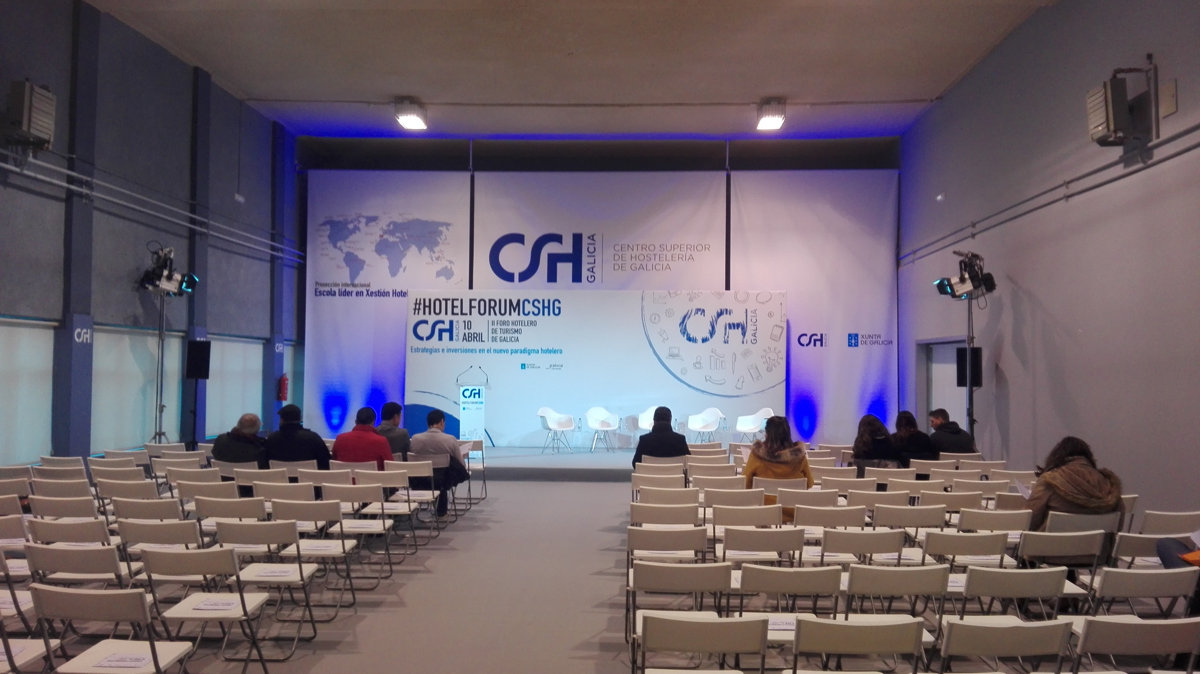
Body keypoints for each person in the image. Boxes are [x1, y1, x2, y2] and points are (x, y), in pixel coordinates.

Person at [1025, 436, 1122, 531]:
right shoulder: (1110, 485)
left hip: (1053, 541)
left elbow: (1028, 522)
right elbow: (1118, 526)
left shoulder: (1050, 481)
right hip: (1098, 542)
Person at [409, 409, 470, 517]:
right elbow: (462, 465)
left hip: (419, 480)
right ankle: (441, 510)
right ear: (442, 422)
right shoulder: (450, 440)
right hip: (442, 481)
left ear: (428, 423)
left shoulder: (415, 439)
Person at [742, 416, 813, 489]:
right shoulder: (800, 457)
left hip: (763, 496)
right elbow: (809, 484)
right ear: (788, 434)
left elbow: (745, 483)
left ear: (767, 434)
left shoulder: (756, 456)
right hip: (793, 496)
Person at [264, 404, 331, 469]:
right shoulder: (314, 438)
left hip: (278, 477)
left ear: (281, 420)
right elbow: (326, 463)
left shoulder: (271, 439)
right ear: (300, 419)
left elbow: (264, 464)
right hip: (309, 476)